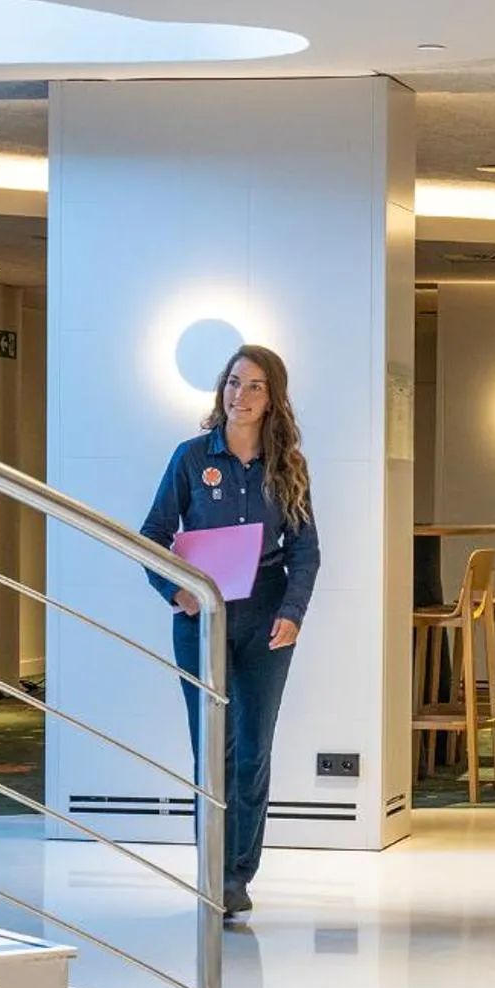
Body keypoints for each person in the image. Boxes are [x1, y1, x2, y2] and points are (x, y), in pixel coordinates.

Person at [139, 346, 320, 921]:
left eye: (255, 387)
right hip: (203, 619)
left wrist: (291, 612)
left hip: (265, 615)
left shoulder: (286, 465)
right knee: (212, 750)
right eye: (234, 383)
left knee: (252, 749)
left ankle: (237, 876)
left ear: (273, 400)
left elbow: (307, 552)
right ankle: (211, 874)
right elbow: (153, 534)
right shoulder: (191, 459)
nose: (240, 396)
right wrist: (175, 591)